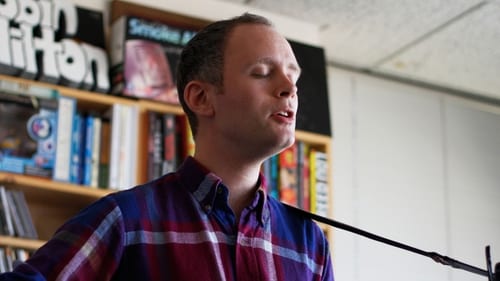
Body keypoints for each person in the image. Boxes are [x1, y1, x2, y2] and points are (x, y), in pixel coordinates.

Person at [0, 13, 334, 280]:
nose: (290, 88)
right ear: (201, 98)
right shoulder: (124, 221)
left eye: (294, 77)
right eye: (262, 72)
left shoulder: (310, 243)